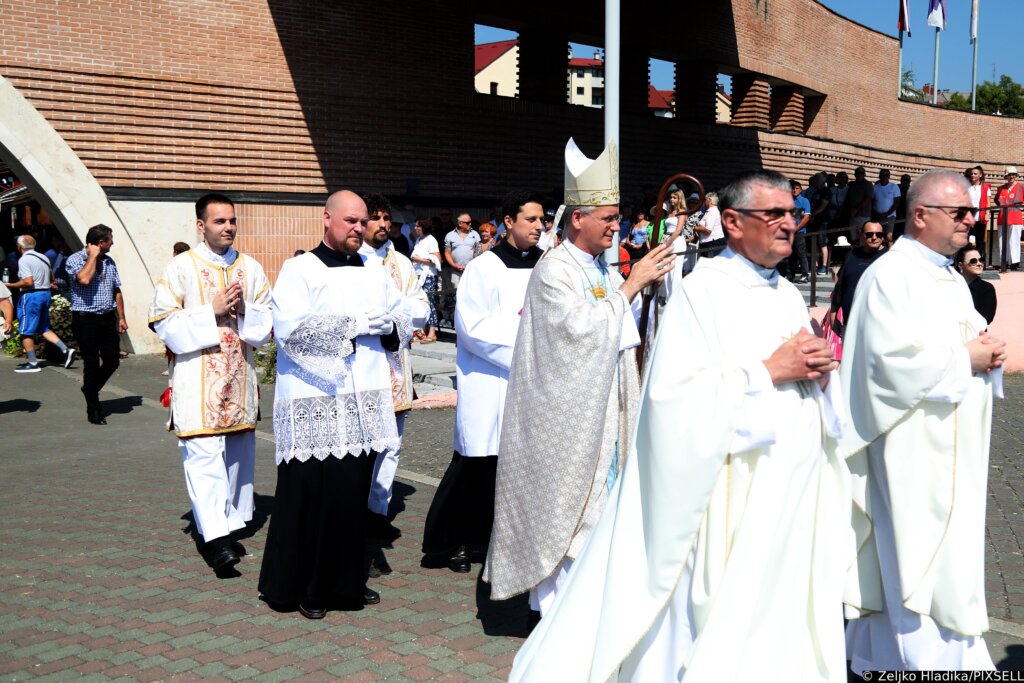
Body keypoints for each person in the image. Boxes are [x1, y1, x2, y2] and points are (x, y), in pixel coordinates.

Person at [508, 170, 849, 682]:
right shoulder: (703, 291)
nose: (788, 224)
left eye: (792, 214)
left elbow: (798, 377)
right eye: (772, 214)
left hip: (788, 491)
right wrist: (768, 371)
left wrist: (820, 372)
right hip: (728, 498)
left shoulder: (785, 293)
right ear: (731, 223)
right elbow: (674, 402)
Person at [484, 139, 674, 616]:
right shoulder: (554, 272)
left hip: (603, 411)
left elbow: (622, 332)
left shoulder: (596, 268)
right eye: (608, 217)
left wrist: (648, 288)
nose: (617, 224)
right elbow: (575, 334)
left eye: (617, 216)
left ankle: (586, 615)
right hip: (564, 421)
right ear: (578, 219)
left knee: (601, 516)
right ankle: (556, 618)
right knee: (564, 518)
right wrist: (631, 286)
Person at [843, 170, 1007, 672]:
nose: (971, 221)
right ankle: (912, 661)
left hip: (951, 446)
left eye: (971, 212)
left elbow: (964, 339)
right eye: (959, 213)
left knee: (948, 563)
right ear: (920, 215)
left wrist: (988, 352)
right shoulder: (889, 276)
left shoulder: (949, 276)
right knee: (915, 561)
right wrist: (967, 360)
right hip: (911, 448)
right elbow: (887, 366)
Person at [258, 190, 411, 619]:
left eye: (363, 222)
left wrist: (391, 326)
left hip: (362, 398)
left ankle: (346, 584)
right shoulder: (299, 268)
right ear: (326, 219)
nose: (358, 230)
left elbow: (402, 315)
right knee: (312, 498)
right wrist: (358, 324)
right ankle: (305, 588)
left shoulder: (376, 267)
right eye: (350, 221)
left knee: (350, 496)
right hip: (316, 398)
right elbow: (290, 330)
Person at [422, 191, 545, 574]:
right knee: (477, 462)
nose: (539, 227)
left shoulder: (551, 266)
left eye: (542, 220)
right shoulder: (483, 267)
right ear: (508, 221)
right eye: (531, 220)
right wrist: (525, 347)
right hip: (488, 379)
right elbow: (472, 327)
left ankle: (496, 540)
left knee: (518, 466)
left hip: (534, 381)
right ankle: (454, 541)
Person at [148, 195, 273, 571]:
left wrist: (246, 311)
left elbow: (268, 324)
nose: (228, 227)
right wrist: (211, 312)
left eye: (232, 220)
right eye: (219, 221)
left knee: (237, 458)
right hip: (197, 380)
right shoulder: (181, 268)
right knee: (203, 457)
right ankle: (214, 539)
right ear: (201, 225)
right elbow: (163, 324)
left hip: (238, 378)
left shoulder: (250, 268)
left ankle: (229, 527)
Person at [357, 192, 429, 549]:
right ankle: (355, 510)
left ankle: (377, 511)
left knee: (391, 445)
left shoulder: (401, 262)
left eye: (387, 219)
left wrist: (392, 309)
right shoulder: (351, 260)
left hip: (397, 368)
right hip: (362, 369)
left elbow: (421, 309)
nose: (383, 225)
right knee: (362, 444)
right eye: (376, 218)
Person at [65, 226, 127, 423]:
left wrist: (122, 317)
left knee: (112, 361)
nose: (112, 243)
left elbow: (116, 290)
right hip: (85, 320)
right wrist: (92, 256)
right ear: (101, 243)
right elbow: (83, 279)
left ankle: (89, 389)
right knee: (91, 364)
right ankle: (94, 408)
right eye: (110, 240)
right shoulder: (75, 260)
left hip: (107, 318)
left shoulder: (109, 262)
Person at [9, 235, 73, 374]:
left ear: (20, 246)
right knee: (43, 327)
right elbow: (52, 278)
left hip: (32, 295)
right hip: (45, 293)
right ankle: (66, 350)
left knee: (26, 330)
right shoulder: (43, 257)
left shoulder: (24, 259)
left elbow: (28, 282)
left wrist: (11, 284)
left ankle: (33, 363)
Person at [831, 221, 888, 335]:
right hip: (851, 325)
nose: (874, 237)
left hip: (881, 328)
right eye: (869, 234)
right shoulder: (851, 255)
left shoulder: (890, 258)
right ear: (861, 235)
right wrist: (833, 314)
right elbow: (840, 286)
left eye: (879, 234)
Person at [410, 218, 440, 343]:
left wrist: (419, 260)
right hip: (418, 275)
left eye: (418, 226)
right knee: (420, 302)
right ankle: (421, 331)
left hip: (428, 275)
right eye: (416, 225)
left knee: (430, 302)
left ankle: (432, 332)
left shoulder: (431, 240)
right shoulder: (418, 239)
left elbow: (437, 260)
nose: (416, 228)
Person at [957, 247, 996, 325]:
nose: (979, 264)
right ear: (961, 265)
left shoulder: (986, 288)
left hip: (976, 335)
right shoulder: (952, 285)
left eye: (981, 260)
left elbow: (986, 318)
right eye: (973, 261)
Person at [994, 166, 1022, 270]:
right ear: (1006, 176)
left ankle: (1015, 262)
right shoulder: (1000, 188)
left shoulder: (1021, 187)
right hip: (1002, 217)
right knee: (1002, 240)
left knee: (1014, 240)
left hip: (1015, 218)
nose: (1012, 177)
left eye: (1014, 175)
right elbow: (997, 200)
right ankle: (1004, 261)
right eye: (1010, 174)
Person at [787, 179, 812, 283]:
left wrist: (796, 229)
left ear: (801, 190)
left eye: (797, 188)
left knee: (801, 254)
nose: (794, 190)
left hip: (800, 232)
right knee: (790, 254)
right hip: (789, 232)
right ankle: (790, 275)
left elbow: (807, 217)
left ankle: (805, 275)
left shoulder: (804, 201)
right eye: (793, 188)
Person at [808, 172, 832, 273]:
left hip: (823, 221)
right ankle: (816, 265)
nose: (815, 182)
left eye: (816, 180)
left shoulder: (827, 192)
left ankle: (823, 265)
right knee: (814, 244)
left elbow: (822, 207)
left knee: (822, 243)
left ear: (822, 181)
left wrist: (812, 215)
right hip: (814, 221)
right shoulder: (815, 192)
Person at [872, 169, 901, 244]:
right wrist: (877, 214)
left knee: (889, 236)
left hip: (890, 216)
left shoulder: (894, 187)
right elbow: (871, 201)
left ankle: (890, 253)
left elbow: (897, 202)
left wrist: (886, 214)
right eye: (883, 175)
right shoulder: (875, 187)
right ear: (879, 176)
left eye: (886, 175)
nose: (885, 176)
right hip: (877, 216)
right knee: (877, 236)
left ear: (889, 176)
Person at [845, 166, 874, 241]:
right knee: (853, 237)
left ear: (864, 174)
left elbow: (868, 198)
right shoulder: (851, 184)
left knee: (863, 236)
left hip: (863, 215)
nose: (859, 175)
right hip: (852, 215)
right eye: (858, 173)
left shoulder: (868, 184)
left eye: (861, 173)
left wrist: (856, 209)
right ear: (855, 174)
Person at [965, 166, 991, 249]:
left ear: (980, 175)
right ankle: (967, 260)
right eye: (971, 174)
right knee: (969, 240)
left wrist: (987, 213)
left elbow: (988, 202)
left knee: (980, 241)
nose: (972, 175)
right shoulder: (968, 187)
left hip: (981, 218)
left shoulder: (985, 187)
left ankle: (979, 260)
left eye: (975, 174)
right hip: (970, 218)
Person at [695, 191, 726, 257]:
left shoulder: (712, 212)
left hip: (712, 243)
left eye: (706, 200)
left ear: (710, 200)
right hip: (709, 243)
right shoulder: (710, 211)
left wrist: (696, 228)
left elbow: (708, 230)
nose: (705, 202)